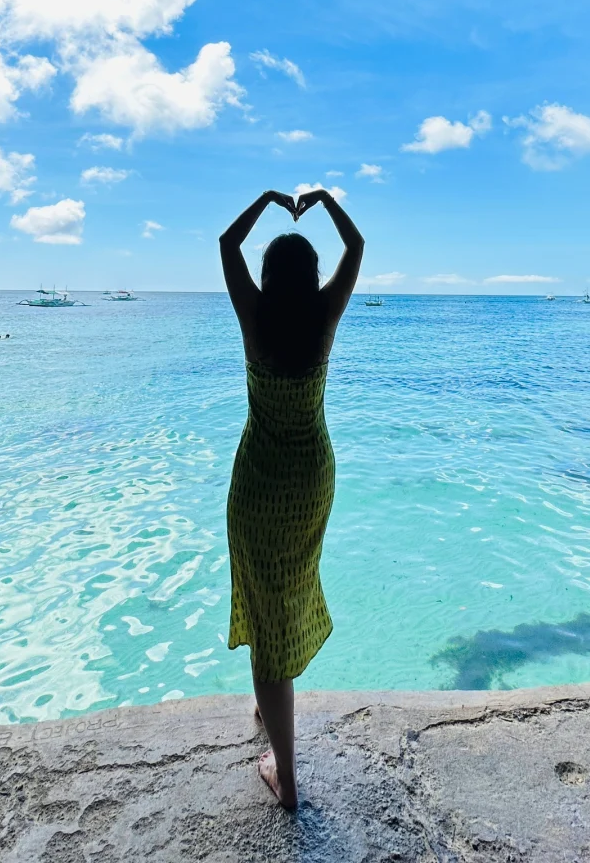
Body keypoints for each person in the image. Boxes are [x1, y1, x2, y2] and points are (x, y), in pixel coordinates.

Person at [220, 187, 364, 809]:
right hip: (310, 478)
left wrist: (268, 201)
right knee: (285, 585)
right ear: (310, 278)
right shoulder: (324, 317)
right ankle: (266, 700)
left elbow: (228, 245)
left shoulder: (255, 318)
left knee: (263, 588)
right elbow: (356, 246)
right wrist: (326, 201)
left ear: (268, 276)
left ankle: (288, 780)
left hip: (259, 478)